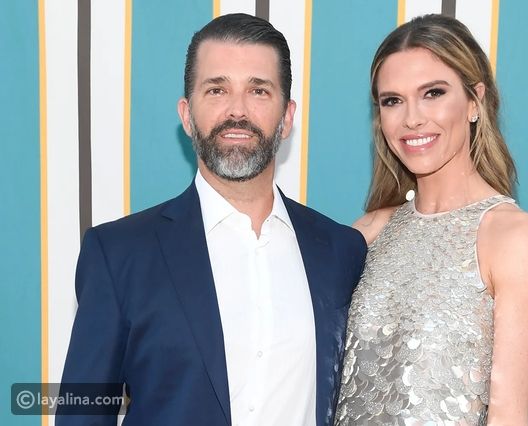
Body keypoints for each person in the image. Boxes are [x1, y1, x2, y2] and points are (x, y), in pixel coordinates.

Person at [57, 13, 367, 426]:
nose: (237, 110)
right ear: (187, 115)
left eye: (258, 90)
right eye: (217, 89)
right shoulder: (118, 255)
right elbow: (81, 413)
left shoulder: (341, 251)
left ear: (287, 117)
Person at [335, 14, 528, 426]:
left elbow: (508, 414)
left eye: (433, 93)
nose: (412, 118)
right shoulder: (368, 232)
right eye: (392, 100)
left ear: (474, 102)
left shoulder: (513, 237)